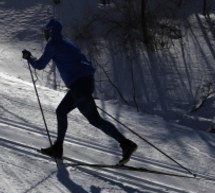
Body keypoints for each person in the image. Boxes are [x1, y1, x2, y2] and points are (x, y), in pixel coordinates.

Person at [22, 19, 137, 165]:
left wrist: (29, 57)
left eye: (46, 31)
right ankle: (58, 147)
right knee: (61, 111)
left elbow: (40, 65)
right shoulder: (68, 41)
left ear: (51, 31)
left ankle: (126, 144)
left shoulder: (54, 44)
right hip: (85, 84)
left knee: (95, 120)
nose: (45, 34)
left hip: (79, 86)